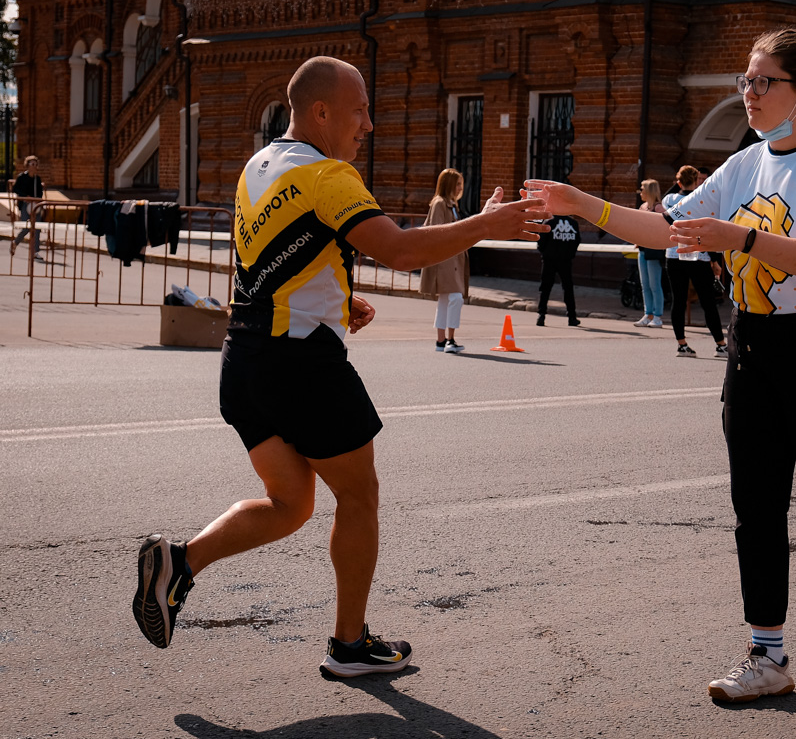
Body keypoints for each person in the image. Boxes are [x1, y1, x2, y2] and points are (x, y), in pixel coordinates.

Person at [525, 24, 796, 725]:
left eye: (761, 81)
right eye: (744, 79)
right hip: (757, 343)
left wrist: (737, 237)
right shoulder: (749, 161)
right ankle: (766, 657)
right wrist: (581, 203)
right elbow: (670, 227)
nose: (748, 91)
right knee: (756, 507)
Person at [131, 56, 549, 678]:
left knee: (291, 503)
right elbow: (402, 250)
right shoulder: (330, 176)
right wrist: (485, 224)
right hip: (301, 365)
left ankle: (179, 561)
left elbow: (263, 259)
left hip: (244, 360)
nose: (369, 125)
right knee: (359, 495)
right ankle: (349, 645)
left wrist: (333, 299)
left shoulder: (260, 165)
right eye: (360, 110)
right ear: (321, 112)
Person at [661, 165, 727, 358]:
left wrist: (679, 184)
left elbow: (668, 194)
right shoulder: (701, 201)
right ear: (697, 180)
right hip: (698, 255)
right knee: (708, 301)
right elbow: (709, 231)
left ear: (679, 181)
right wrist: (715, 260)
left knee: (678, 300)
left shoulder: (670, 199)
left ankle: (681, 344)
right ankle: (720, 344)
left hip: (673, 254)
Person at [421, 169, 470, 352]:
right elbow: (437, 231)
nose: (459, 188)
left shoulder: (451, 204)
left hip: (453, 258)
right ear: (448, 184)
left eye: (460, 185)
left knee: (444, 299)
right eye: (457, 184)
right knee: (456, 297)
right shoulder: (440, 203)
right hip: (445, 259)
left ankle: (441, 341)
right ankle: (450, 339)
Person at [535, 211, 582, 326]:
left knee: (545, 288)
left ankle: (541, 316)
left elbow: (540, 242)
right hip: (566, 261)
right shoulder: (573, 223)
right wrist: (570, 254)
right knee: (568, 288)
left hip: (549, 260)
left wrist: (545, 253)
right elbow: (577, 241)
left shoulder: (549, 222)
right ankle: (572, 317)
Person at [634, 179, 666, 328]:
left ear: (649, 191)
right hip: (642, 249)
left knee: (655, 284)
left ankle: (658, 316)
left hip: (654, 251)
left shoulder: (659, 208)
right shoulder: (643, 207)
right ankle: (648, 313)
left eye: (642, 189)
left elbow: (665, 227)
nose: (641, 192)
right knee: (645, 284)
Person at [10, 155, 45, 261]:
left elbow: (40, 193)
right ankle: (15, 242)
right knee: (26, 227)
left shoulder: (37, 179)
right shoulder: (22, 177)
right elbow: (15, 189)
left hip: (36, 205)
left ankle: (35, 251)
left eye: (36, 164)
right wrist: (26, 197)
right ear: (28, 165)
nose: (34, 166)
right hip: (25, 205)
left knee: (37, 228)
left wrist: (37, 199)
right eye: (32, 164)